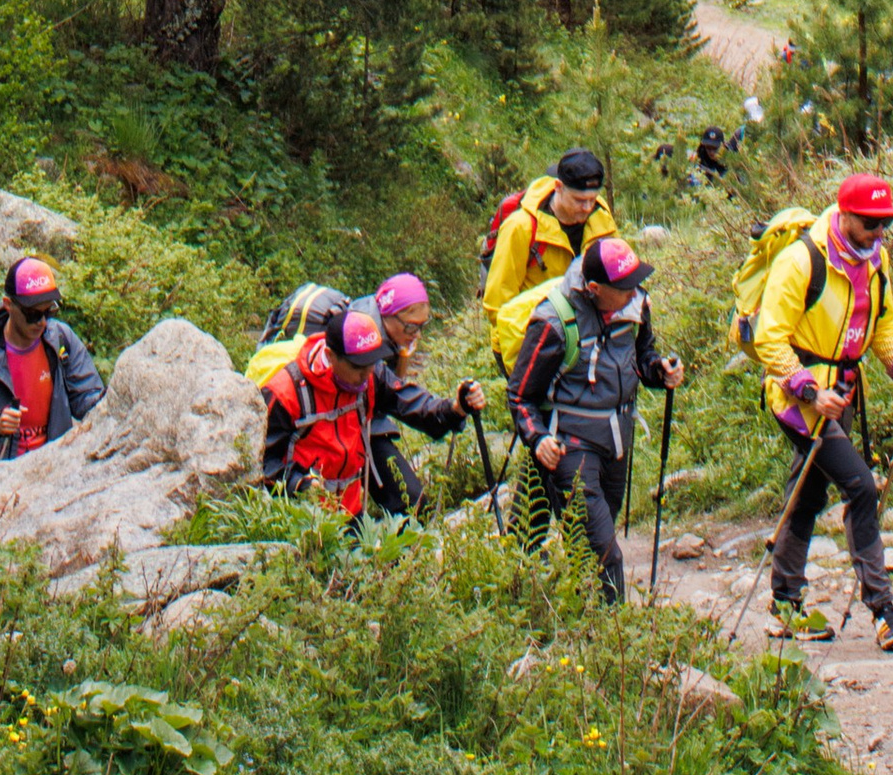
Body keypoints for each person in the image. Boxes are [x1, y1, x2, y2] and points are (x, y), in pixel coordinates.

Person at [750, 170, 893, 644]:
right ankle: (884, 612)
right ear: (846, 214)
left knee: (808, 496)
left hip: (844, 395)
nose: (879, 232)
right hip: (800, 401)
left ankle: (784, 607)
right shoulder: (800, 261)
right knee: (860, 487)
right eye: (871, 222)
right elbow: (770, 336)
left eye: (885, 223)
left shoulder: (875, 261)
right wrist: (808, 390)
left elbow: (881, 324)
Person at [504, 233, 683, 606]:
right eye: (625, 287)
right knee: (604, 552)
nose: (635, 292)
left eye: (636, 281)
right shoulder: (554, 322)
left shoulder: (636, 304)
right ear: (594, 288)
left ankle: (568, 611)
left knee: (592, 539)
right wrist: (537, 439)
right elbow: (520, 395)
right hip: (571, 444)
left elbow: (640, 356)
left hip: (616, 440)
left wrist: (659, 371)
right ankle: (611, 637)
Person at [0, 255, 104, 488]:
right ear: (8, 304)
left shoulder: (60, 340)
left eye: (49, 311)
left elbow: (88, 399)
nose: (42, 322)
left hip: (50, 478)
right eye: (33, 314)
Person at [367, 270, 488, 516]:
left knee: (413, 503)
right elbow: (400, 399)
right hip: (342, 426)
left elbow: (396, 391)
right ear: (388, 315)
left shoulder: (388, 332)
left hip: (366, 422)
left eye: (424, 326)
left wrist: (456, 409)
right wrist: (451, 411)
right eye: (413, 327)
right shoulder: (365, 345)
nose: (418, 335)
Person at [478, 147, 616, 360]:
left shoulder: (600, 215)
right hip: (532, 341)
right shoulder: (521, 227)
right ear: (558, 187)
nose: (587, 207)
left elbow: (617, 272)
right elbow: (498, 303)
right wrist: (521, 353)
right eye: (579, 200)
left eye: (593, 199)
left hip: (581, 338)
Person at [258, 294, 388, 514]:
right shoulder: (284, 392)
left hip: (350, 513)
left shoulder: (367, 377)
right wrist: (299, 484)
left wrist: (454, 408)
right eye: (358, 367)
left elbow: (410, 401)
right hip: (302, 517)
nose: (367, 375)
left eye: (371, 364)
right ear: (330, 356)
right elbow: (262, 461)